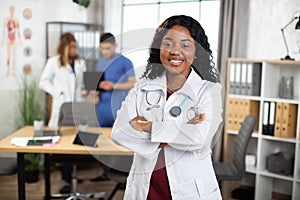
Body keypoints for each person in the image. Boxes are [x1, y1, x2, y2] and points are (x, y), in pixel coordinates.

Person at [112, 15, 223, 199]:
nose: (175, 51)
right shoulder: (142, 87)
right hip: (146, 189)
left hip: (191, 190)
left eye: (185, 45)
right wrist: (178, 133)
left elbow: (199, 138)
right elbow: (119, 132)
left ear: (196, 52)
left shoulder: (209, 91)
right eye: (168, 44)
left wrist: (148, 127)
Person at [39, 33, 86, 193]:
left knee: (76, 141)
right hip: (62, 106)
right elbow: (43, 82)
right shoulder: (54, 62)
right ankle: (66, 178)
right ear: (64, 47)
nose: (74, 49)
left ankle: (73, 176)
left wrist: (85, 94)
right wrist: (56, 92)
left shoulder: (80, 62)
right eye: (71, 46)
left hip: (77, 107)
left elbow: (80, 85)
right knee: (62, 141)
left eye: (75, 46)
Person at [96, 33, 136, 127]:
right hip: (102, 109)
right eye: (102, 49)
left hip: (118, 108)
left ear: (115, 46)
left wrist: (114, 86)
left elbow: (132, 83)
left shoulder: (125, 62)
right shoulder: (100, 63)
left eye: (108, 48)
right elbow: (98, 83)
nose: (105, 52)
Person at [3, 6, 22, 76]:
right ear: (9, 10)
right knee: (8, 56)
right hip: (8, 38)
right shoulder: (6, 20)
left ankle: (13, 71)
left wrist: (20, 41)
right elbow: (4, 31)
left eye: (13, 10)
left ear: (14, 11)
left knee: (14, 56)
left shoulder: (16, 20)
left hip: (14, 39)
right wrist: (2, 41)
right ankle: (8, 70)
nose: (11, 11)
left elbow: (18, 31)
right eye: (10, 9)